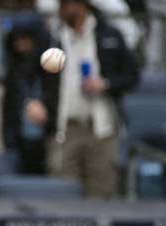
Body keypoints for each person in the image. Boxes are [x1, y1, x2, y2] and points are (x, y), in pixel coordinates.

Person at [30, 0, 139, 198]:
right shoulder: (50, 37)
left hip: (101, 129)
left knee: (101, 196)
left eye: (66, 3)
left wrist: (104, 84)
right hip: (64, 129)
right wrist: (32, 101)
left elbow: (131, 76)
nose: (61, 8)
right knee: (61, 195)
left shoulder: (109, 34)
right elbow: (28, 75)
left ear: (82, 5)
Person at [2, 21, 50, 174]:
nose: (20, 44)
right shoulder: (14, 69)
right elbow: (8, 108)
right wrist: (9, 141)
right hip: (20, 139)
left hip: (48, 138)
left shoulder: (47, 68)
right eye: (17, 40)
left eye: (25, 39)